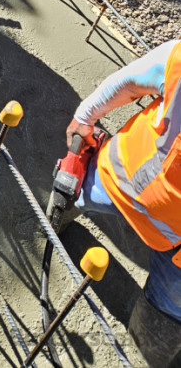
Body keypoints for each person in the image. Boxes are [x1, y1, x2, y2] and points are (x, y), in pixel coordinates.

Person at [66, 38, 181, 367]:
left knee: (164, 318)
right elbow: (130, 82)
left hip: (126, 186)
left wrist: (84, 119)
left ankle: (140, 350)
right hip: (121, 180)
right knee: (74, 193)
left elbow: (130, 82)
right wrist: (84, 118)